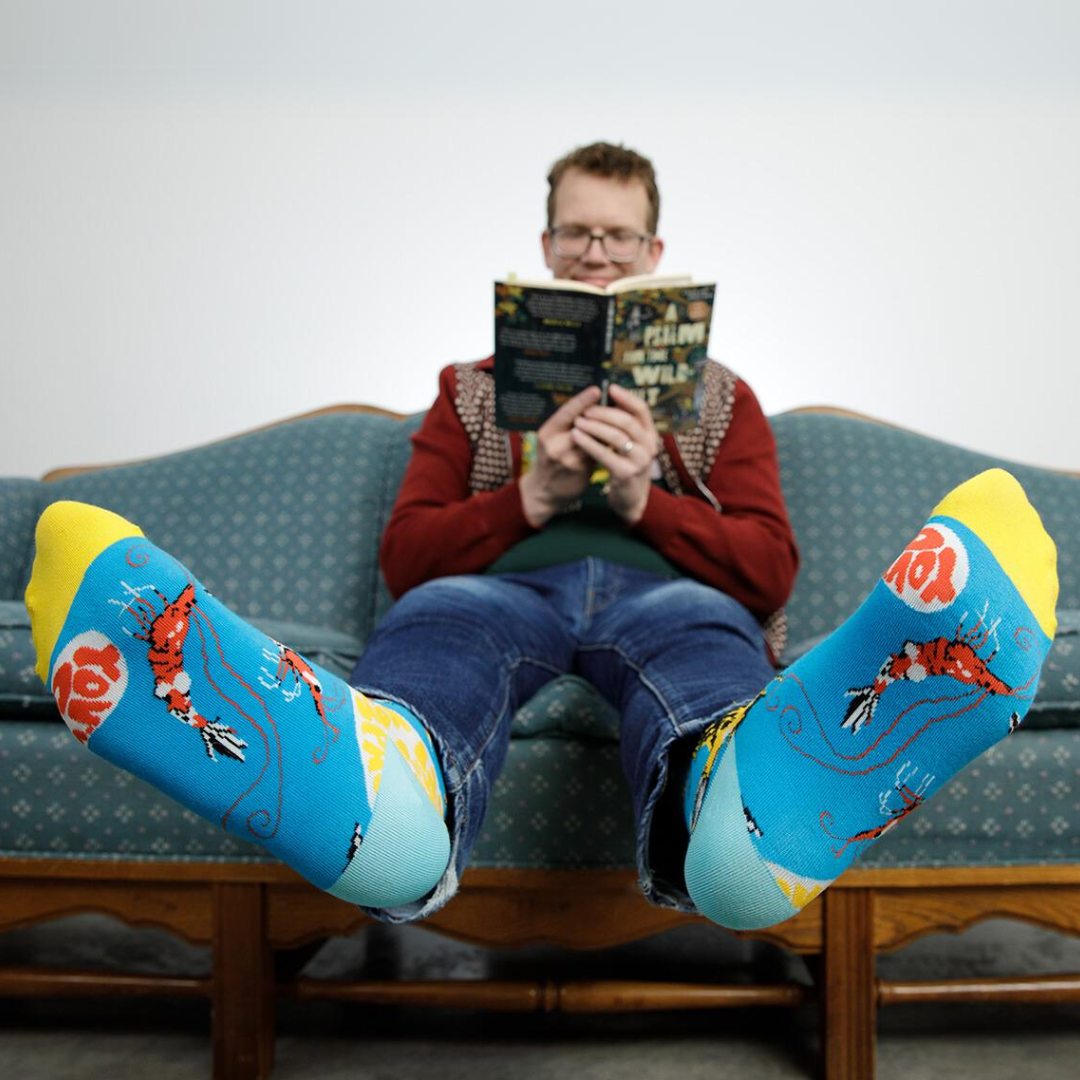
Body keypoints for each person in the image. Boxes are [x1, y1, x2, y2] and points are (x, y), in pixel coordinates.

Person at [25, 143, 1057, 933]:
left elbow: (770, 568)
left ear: (654, 256)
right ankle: (390, 798)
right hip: (498, 590)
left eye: (617, 237)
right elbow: (409, 558)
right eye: (576, 234)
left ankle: (740, 801)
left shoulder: (723, 398)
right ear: (547, 250)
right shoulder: (470, 392)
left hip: (669, 593)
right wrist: (533, 492)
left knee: (704, 637)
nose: (596, 252)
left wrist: (650, 497)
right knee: (436, 623)